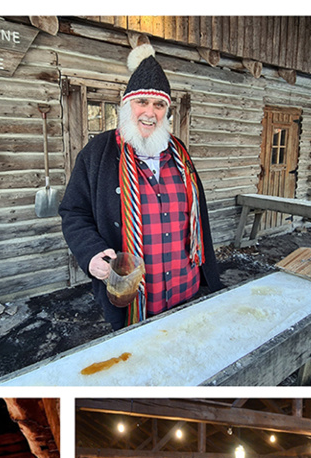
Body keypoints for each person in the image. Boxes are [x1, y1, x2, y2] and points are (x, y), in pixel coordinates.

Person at [59, 44, 220, 330]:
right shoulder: (98, 153)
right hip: (134, 299)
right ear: (126, 106)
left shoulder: (180, 153)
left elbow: (196, 218)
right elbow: (73, 211)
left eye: (159, 105)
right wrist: (91, 253)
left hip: (188, 289)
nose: (150, 112)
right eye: (142, 102)